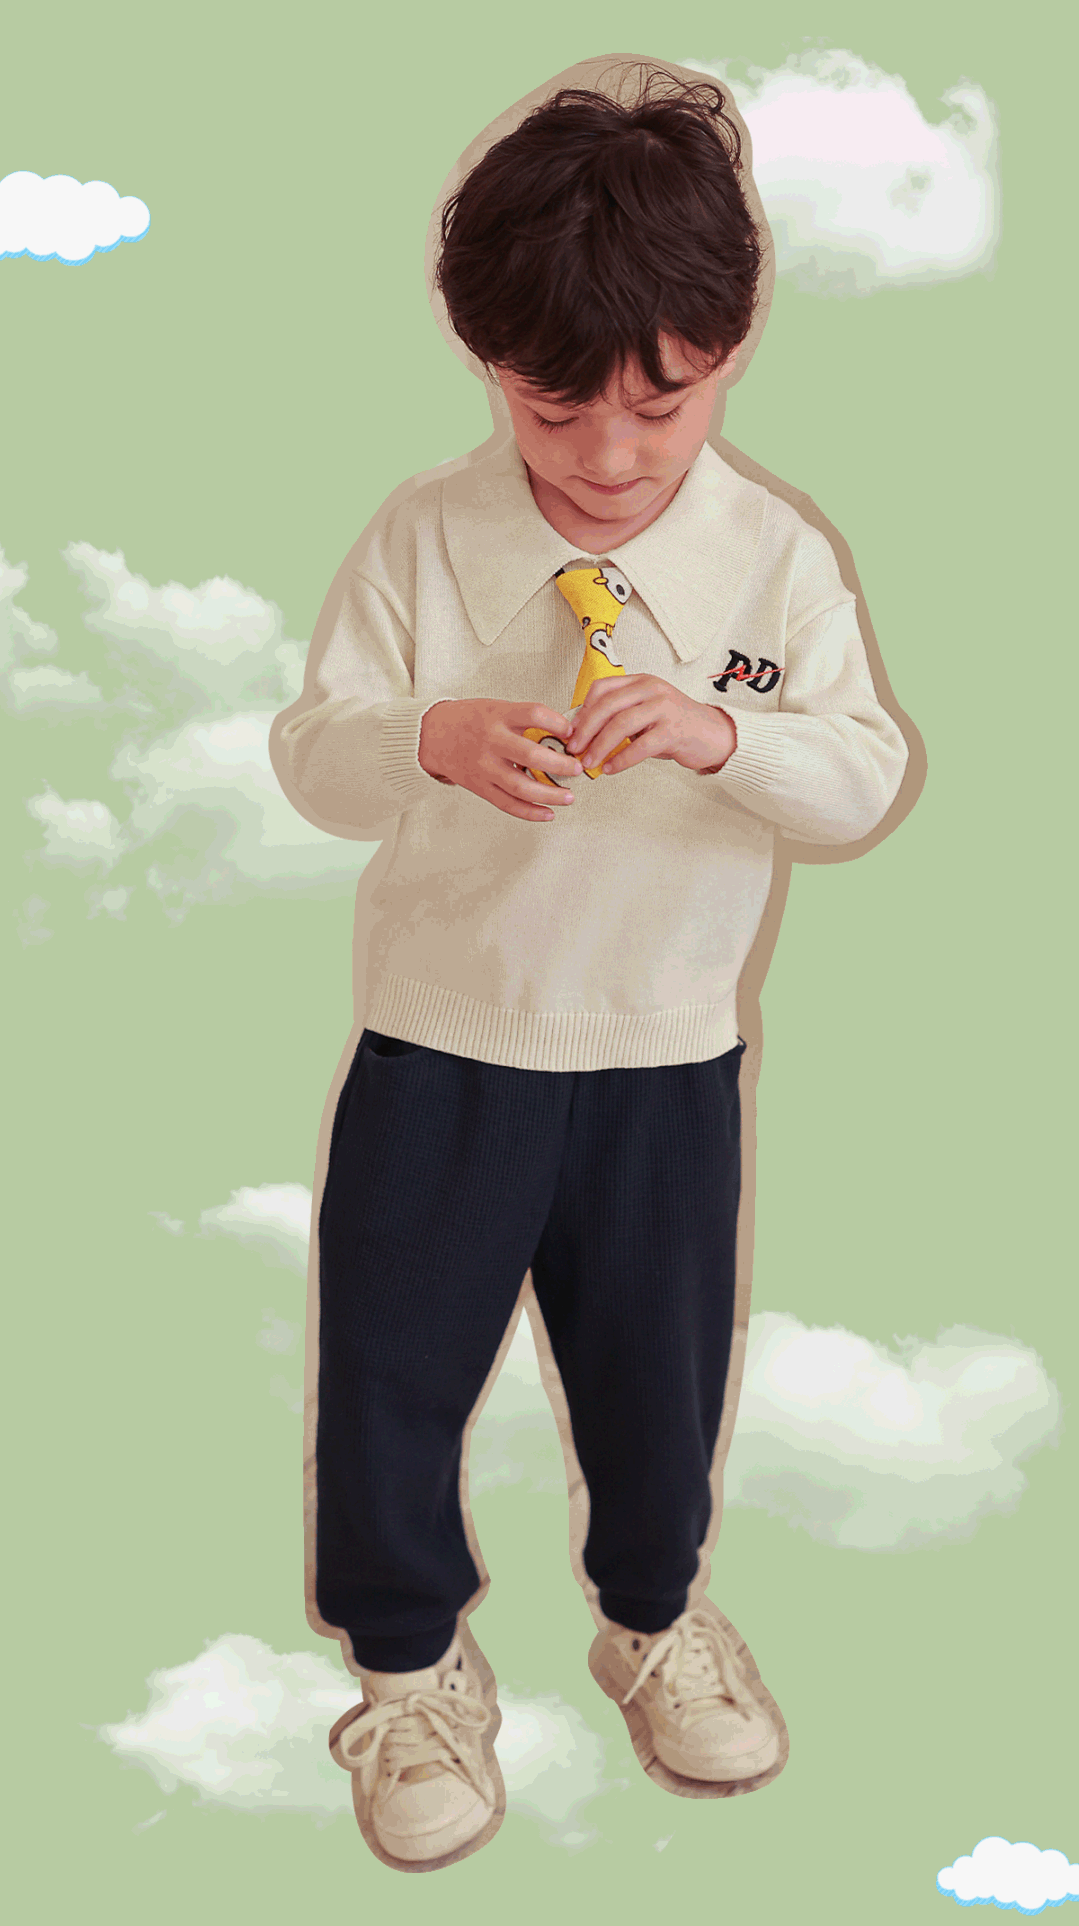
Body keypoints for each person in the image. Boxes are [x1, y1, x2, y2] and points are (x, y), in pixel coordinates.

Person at [270, 62, 910, 1869]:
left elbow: (861, 778)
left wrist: (724, 735)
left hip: (664, 1055)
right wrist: (428, 737)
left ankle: (652, 1619)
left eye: (662, 404)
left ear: (733, 346)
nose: (611, 459)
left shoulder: (774, 559)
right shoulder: (424, 535)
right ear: (484, 357)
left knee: (656, 1375)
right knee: (391, 1375)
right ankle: (406, 1668)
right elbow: (314, 755)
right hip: (443, 1046)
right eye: (557, 409)